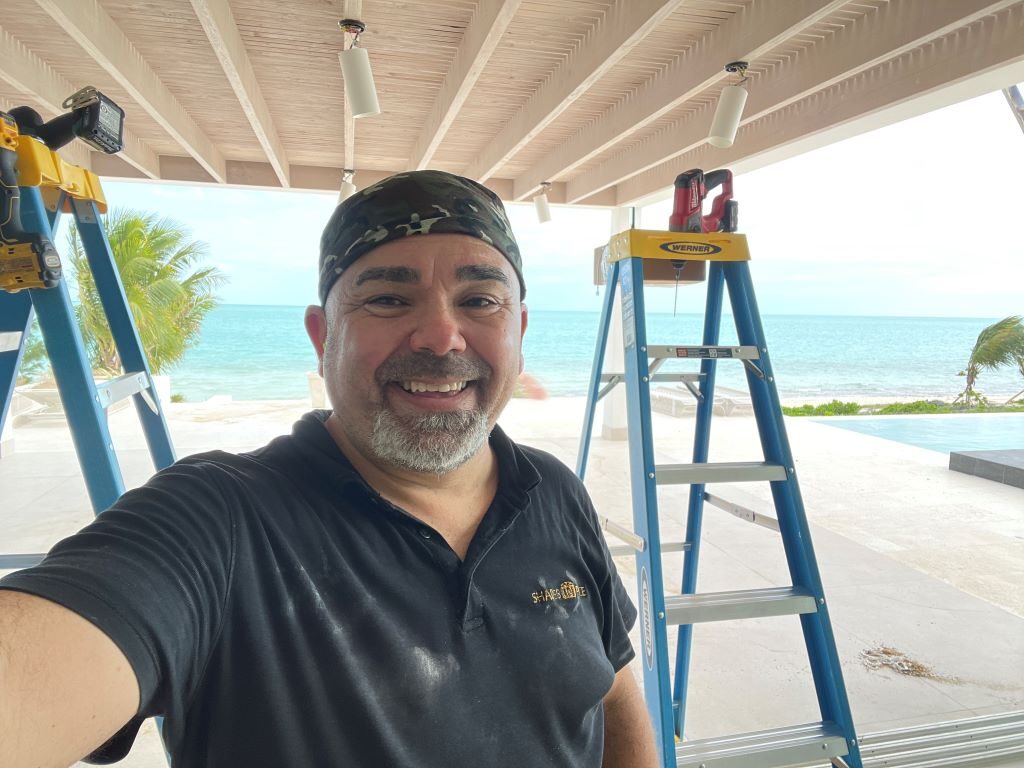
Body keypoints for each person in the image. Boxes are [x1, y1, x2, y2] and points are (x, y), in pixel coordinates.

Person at [0, 170, 657, 767]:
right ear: (322, 338)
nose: (439, 336)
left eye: (480, 301)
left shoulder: (554, 493)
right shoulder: (220, 520)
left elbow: (613, 690)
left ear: (519, 328)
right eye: (389, 300)